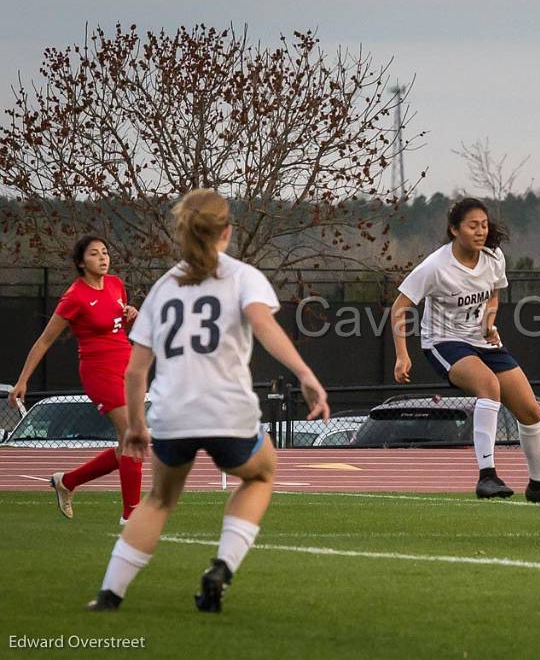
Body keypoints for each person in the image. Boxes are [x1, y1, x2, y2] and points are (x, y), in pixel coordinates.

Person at [86, 189, 329, 612]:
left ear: (182, 233)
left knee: (159, 500)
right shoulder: (242, 276)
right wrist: (305, 373)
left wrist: (137, 427)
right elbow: (263, 326)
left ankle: (109, 595)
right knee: (260, 475)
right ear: (227, 231)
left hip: (171, 413)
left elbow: (136, 370)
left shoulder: (162, 288)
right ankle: (222, 567)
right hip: (227, 411)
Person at [390, 197, 540, 505]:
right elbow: (400, 307)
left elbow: (493, 296)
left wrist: (489, 323)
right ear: (454, 229)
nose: (480, 231)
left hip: (483, 341)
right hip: (444, 342)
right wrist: (403, 354)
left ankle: (538, 485)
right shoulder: (435, 267)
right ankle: (487, 476)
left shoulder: (494, 256)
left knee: (530, 410)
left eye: (484, 225)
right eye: (472, 226)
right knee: (488, 386)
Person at [9, 235, 143, 524]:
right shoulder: (75, 296)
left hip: (126, 365)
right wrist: (22, 381)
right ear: (82, 263)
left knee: (129, 444)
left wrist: (130, 314)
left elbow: (115, 324)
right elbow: (44, 341)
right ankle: (131, 516)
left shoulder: (116, 284)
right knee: (134, 437)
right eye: (95, 254)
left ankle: (67, 481)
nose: (103, 258)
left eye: (105, 252)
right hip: (99, 372)